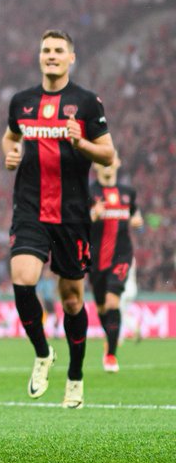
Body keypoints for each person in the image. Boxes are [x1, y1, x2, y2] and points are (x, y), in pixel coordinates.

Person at [3, 28, 114, 409]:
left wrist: (80, 143)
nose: (51, 55)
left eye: (58, 50)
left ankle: (76, 376)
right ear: (40, 57)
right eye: (46, 49)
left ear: (71, 58)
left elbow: (108, 155)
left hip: (71, 214)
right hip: (30, 208)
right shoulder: (22, 101)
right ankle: (42, 352)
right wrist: (11, 154)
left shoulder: (85, 102)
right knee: (23, 278)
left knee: (71, 301)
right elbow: (10, 137)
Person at [88, 154, 140, 372]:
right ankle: (110, 340)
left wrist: (137, 220)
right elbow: (80, 221)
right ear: (95, 165)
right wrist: (92, 215)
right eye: (102, 160)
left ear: (118, 162)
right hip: (96, 258)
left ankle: (111, 354)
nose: (107, 164)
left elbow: (136, 215)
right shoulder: (89, 192)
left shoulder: (128, 193)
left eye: (111, 159)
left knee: (112, 302)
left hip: (121, 256)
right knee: (101, 307)